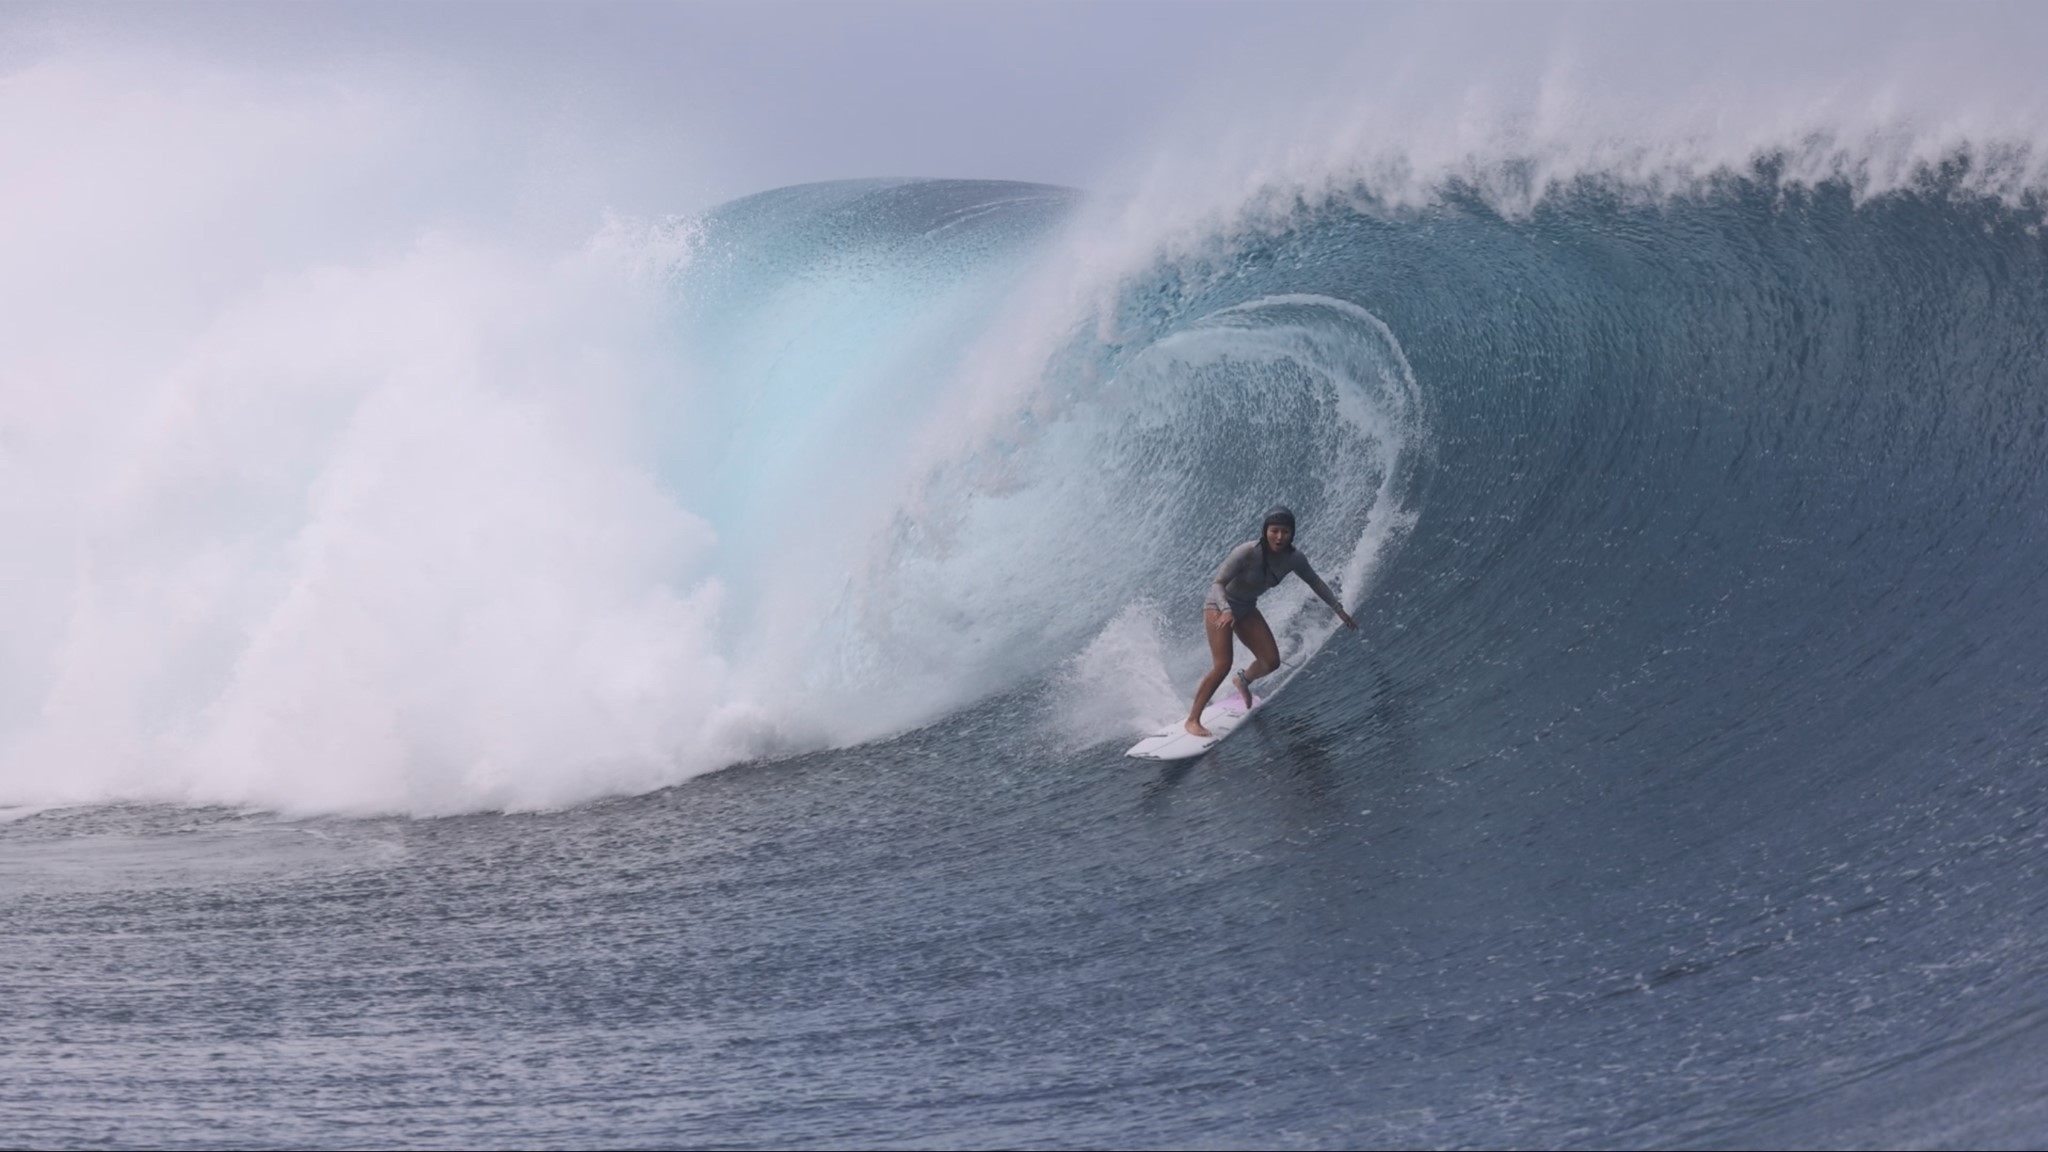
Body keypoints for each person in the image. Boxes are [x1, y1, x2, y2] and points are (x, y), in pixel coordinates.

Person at [1185, 505, 1356, 737]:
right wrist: (1225, 610)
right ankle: (1193, 719)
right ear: (1265, 531)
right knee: (1223, 664)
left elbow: (1315, 582)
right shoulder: (1246, 552)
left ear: (1292, 533)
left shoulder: (1294, 559)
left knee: (1271, 661)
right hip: (1219, 606)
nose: (1279, 537)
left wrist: (1339, 610)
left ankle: (1243, 680)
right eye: (1274, 530)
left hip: (1246, 609)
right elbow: (1218, 584)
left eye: (1285, 531)